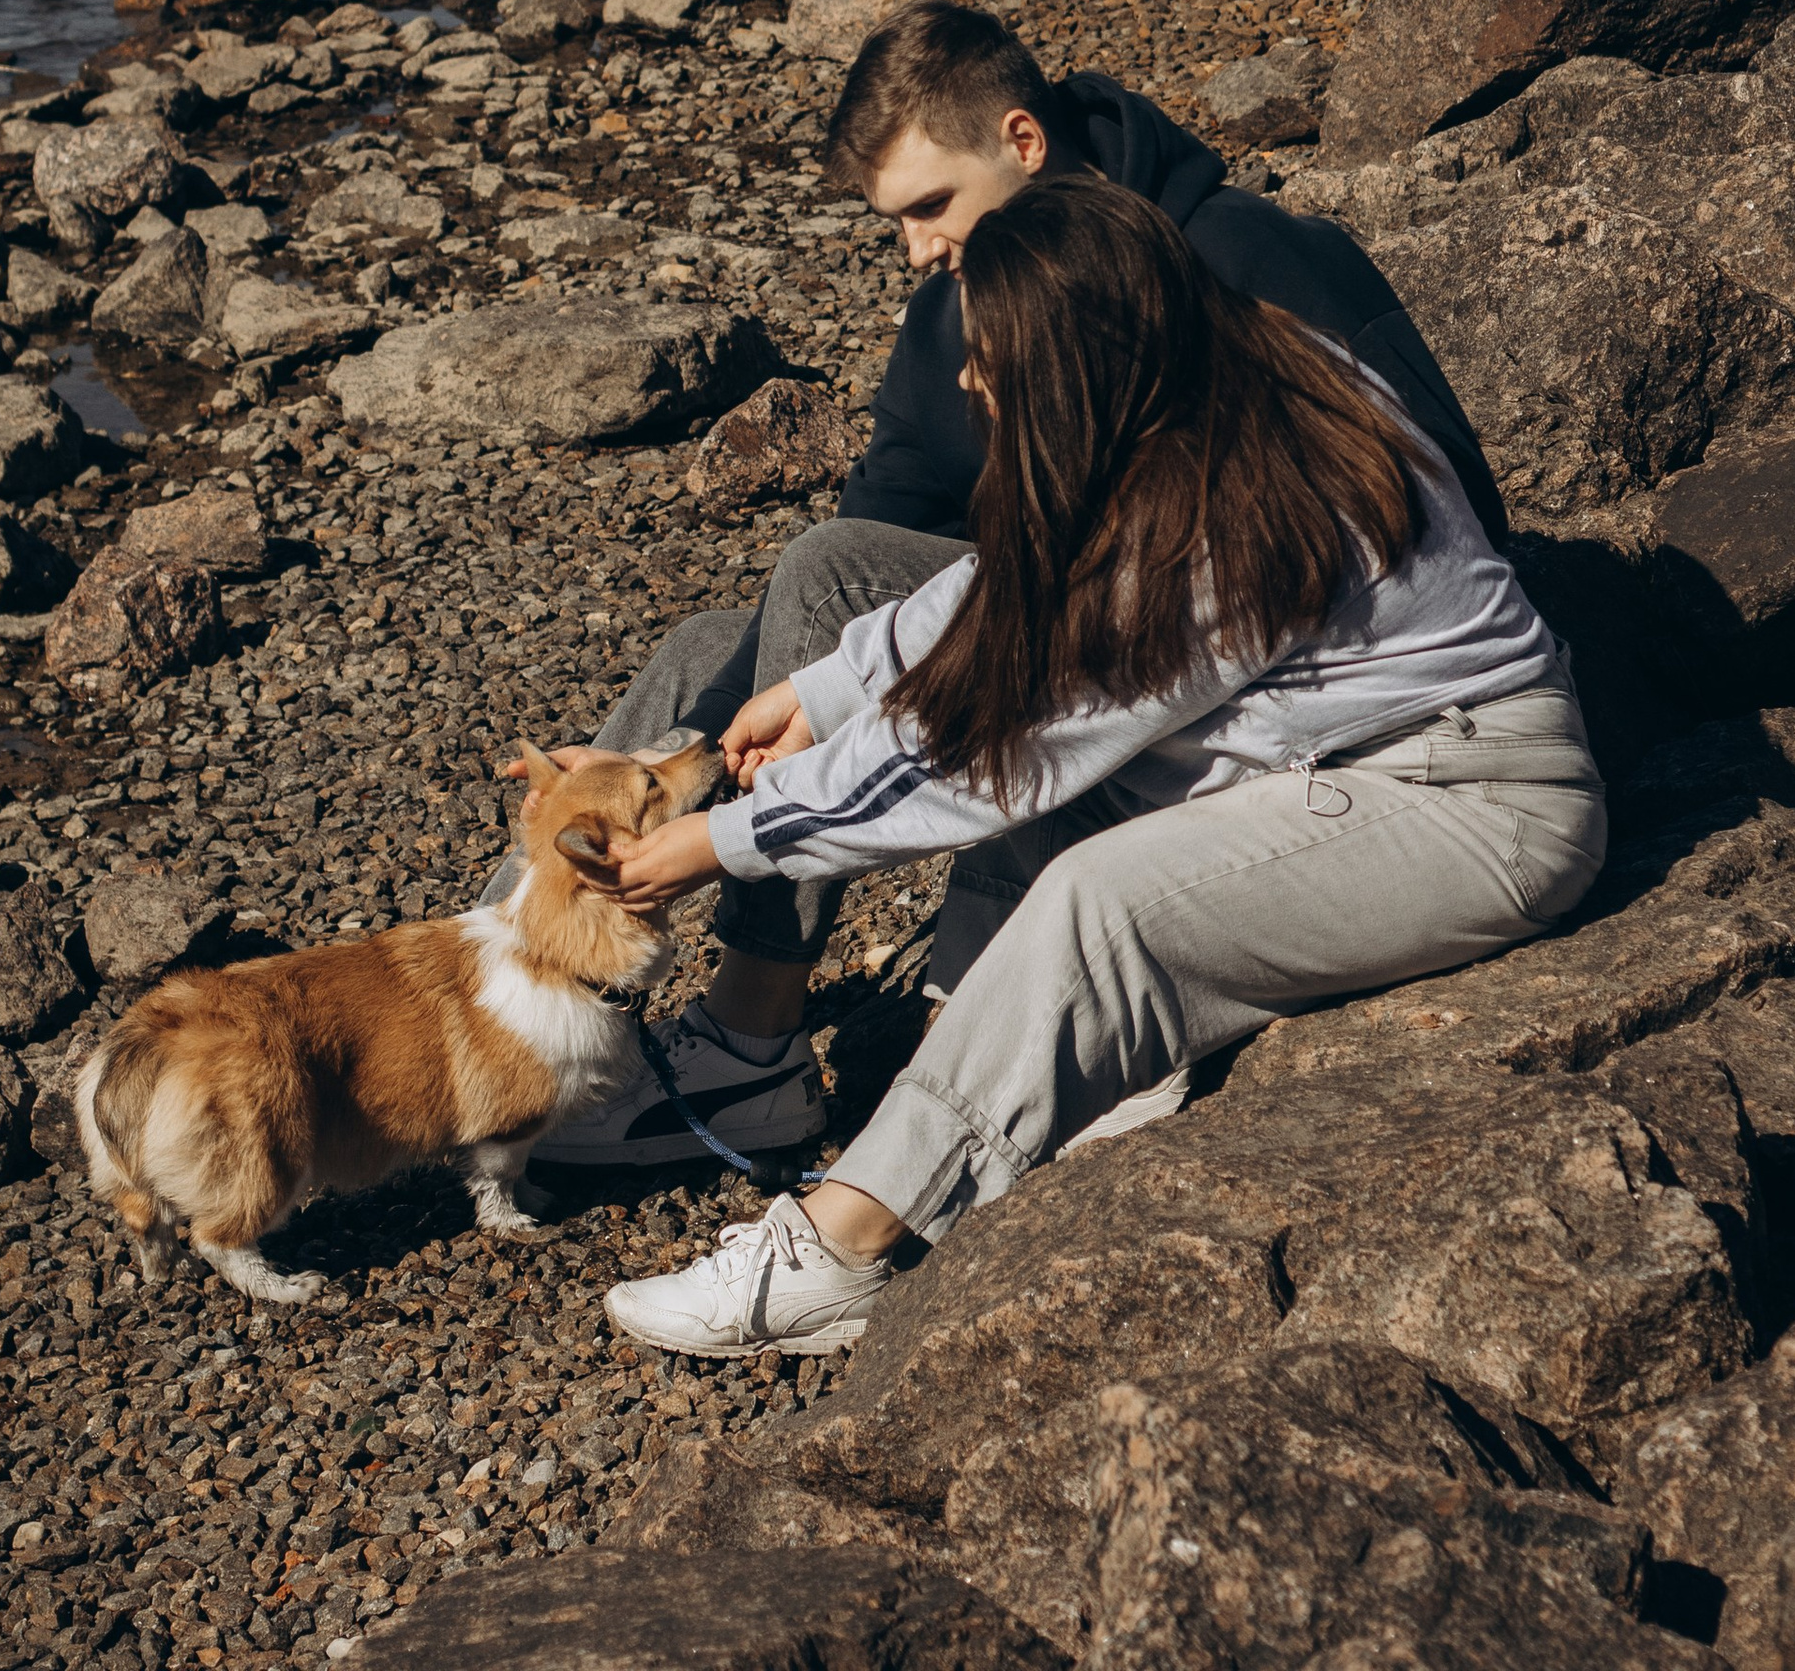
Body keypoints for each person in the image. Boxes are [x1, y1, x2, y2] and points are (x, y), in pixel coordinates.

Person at [591, 172, 1604, 1360]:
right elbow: (1023, 576)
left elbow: (987, 752)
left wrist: (723, 842)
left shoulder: (1226, 526)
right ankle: (1034, 1096)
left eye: (989, 358)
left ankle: (839, 1251)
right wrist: (829, 691)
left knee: (1097, 899)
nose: (968, 382)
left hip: (1473, 802)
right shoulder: (1228, 375)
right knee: (1079, 824)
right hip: (1362, 752)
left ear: (1076, 365)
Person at [502, 0, 1500, 1184]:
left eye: (929, 205)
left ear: (1023, 142)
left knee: (820, 577)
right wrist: (683, 756)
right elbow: (888, 527)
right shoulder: (955, 306)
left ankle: (748, 1036)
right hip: (1071, 596)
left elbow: (1424, 499)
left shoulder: (1238, 253)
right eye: (896, 221)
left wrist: (720, 828)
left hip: (1228, 640)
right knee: (706, 644)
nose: (917, 250)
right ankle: (505, 999)